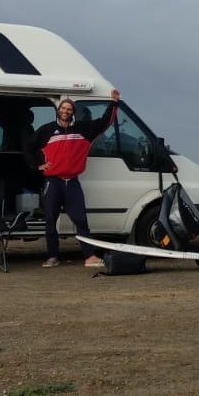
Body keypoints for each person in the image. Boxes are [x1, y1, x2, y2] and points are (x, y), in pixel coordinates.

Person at [32, 89, 120, 267]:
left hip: (72, 182)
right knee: (50, 220)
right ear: (59, 110)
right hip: (53, 181)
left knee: (81, 220)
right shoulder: (47, 130)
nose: (65, 111)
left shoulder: (83, 130)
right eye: (63, 108)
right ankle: (53, 257)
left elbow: (105, 122)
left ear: (73, 112)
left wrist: (114, 103)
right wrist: (37, 165)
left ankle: (89, 257)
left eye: (69, 109)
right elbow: (28, 147)